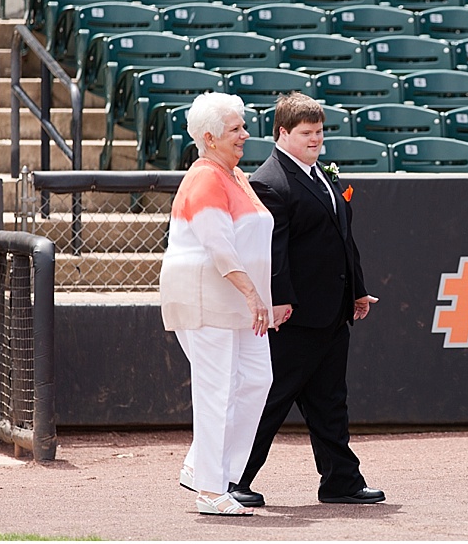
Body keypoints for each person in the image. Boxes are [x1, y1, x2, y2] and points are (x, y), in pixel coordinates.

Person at [229, 91, 383, 507]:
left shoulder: (323, 176)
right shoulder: (270, 181)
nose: (316, 140)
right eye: (306, 133)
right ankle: (232, 479)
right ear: (282, 133)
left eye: (319, 132)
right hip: (295, 318)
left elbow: (342, 239)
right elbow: (273, 251)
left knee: (330, 401)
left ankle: (341, 481)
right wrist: (279, 301)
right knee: (271, 399)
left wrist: (357, 290)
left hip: (331, 313)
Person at [159, 92, 275, 517]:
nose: (245, 134)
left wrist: (264, 299)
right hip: (206, 298)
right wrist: (252, 294)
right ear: (209, 138)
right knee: (216, 390)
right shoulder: (206, 177)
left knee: (257, 379)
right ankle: (211, 489)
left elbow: (252, 243)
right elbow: (220, 245)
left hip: (242, 302)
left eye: (243, 126)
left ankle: (204, 467)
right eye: (236, 129)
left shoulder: (236, 175)